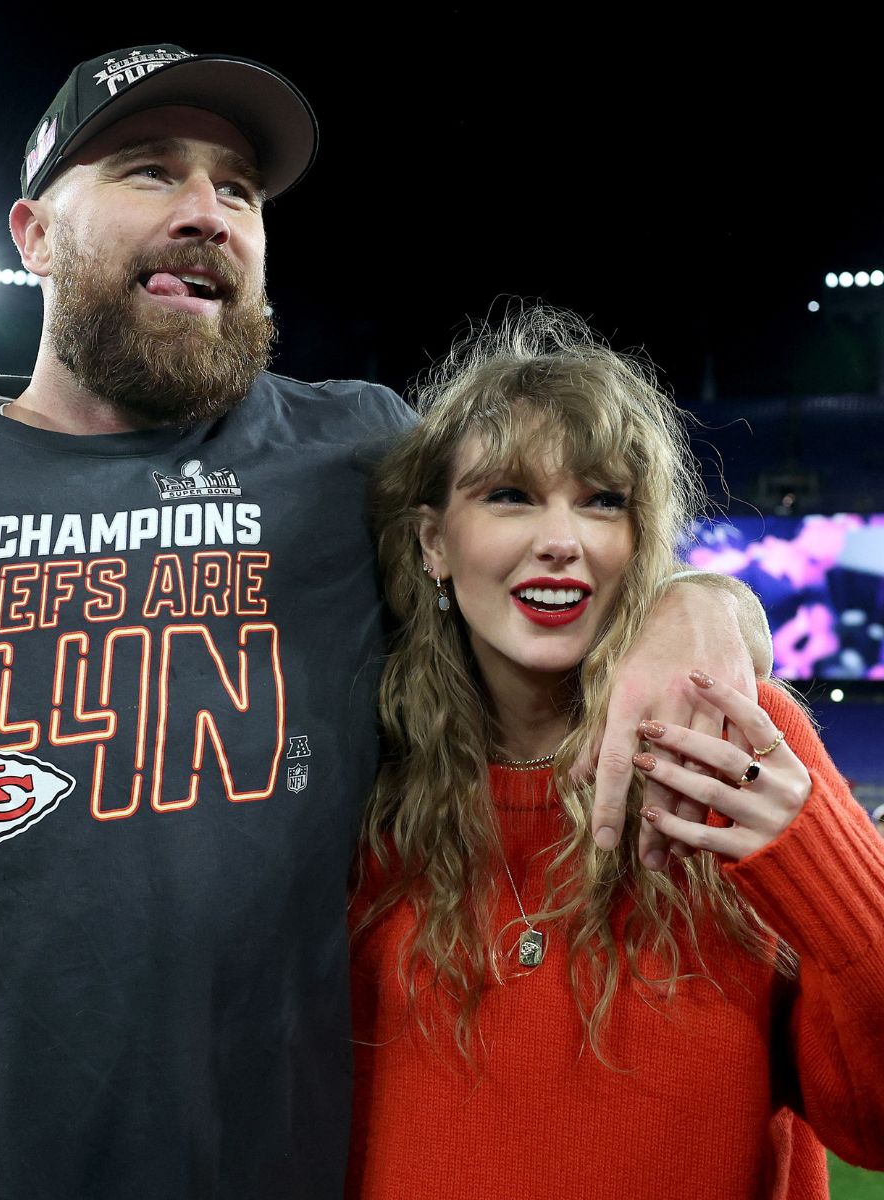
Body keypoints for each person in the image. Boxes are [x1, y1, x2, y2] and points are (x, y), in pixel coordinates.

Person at [0, 46, 763, 1200]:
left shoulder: (353, 457)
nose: (208, 212)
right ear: (33, 235)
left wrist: (702, 602)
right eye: (149, 171)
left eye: (240, 189)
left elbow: (553, 557)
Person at [347, 309, 884, 1199]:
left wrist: (829, 873)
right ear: (434, 543)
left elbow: (871, 1125)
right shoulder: (362, 775)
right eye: (509, 494)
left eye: (603, 499)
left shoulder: (736, 742)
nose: (563, 538)